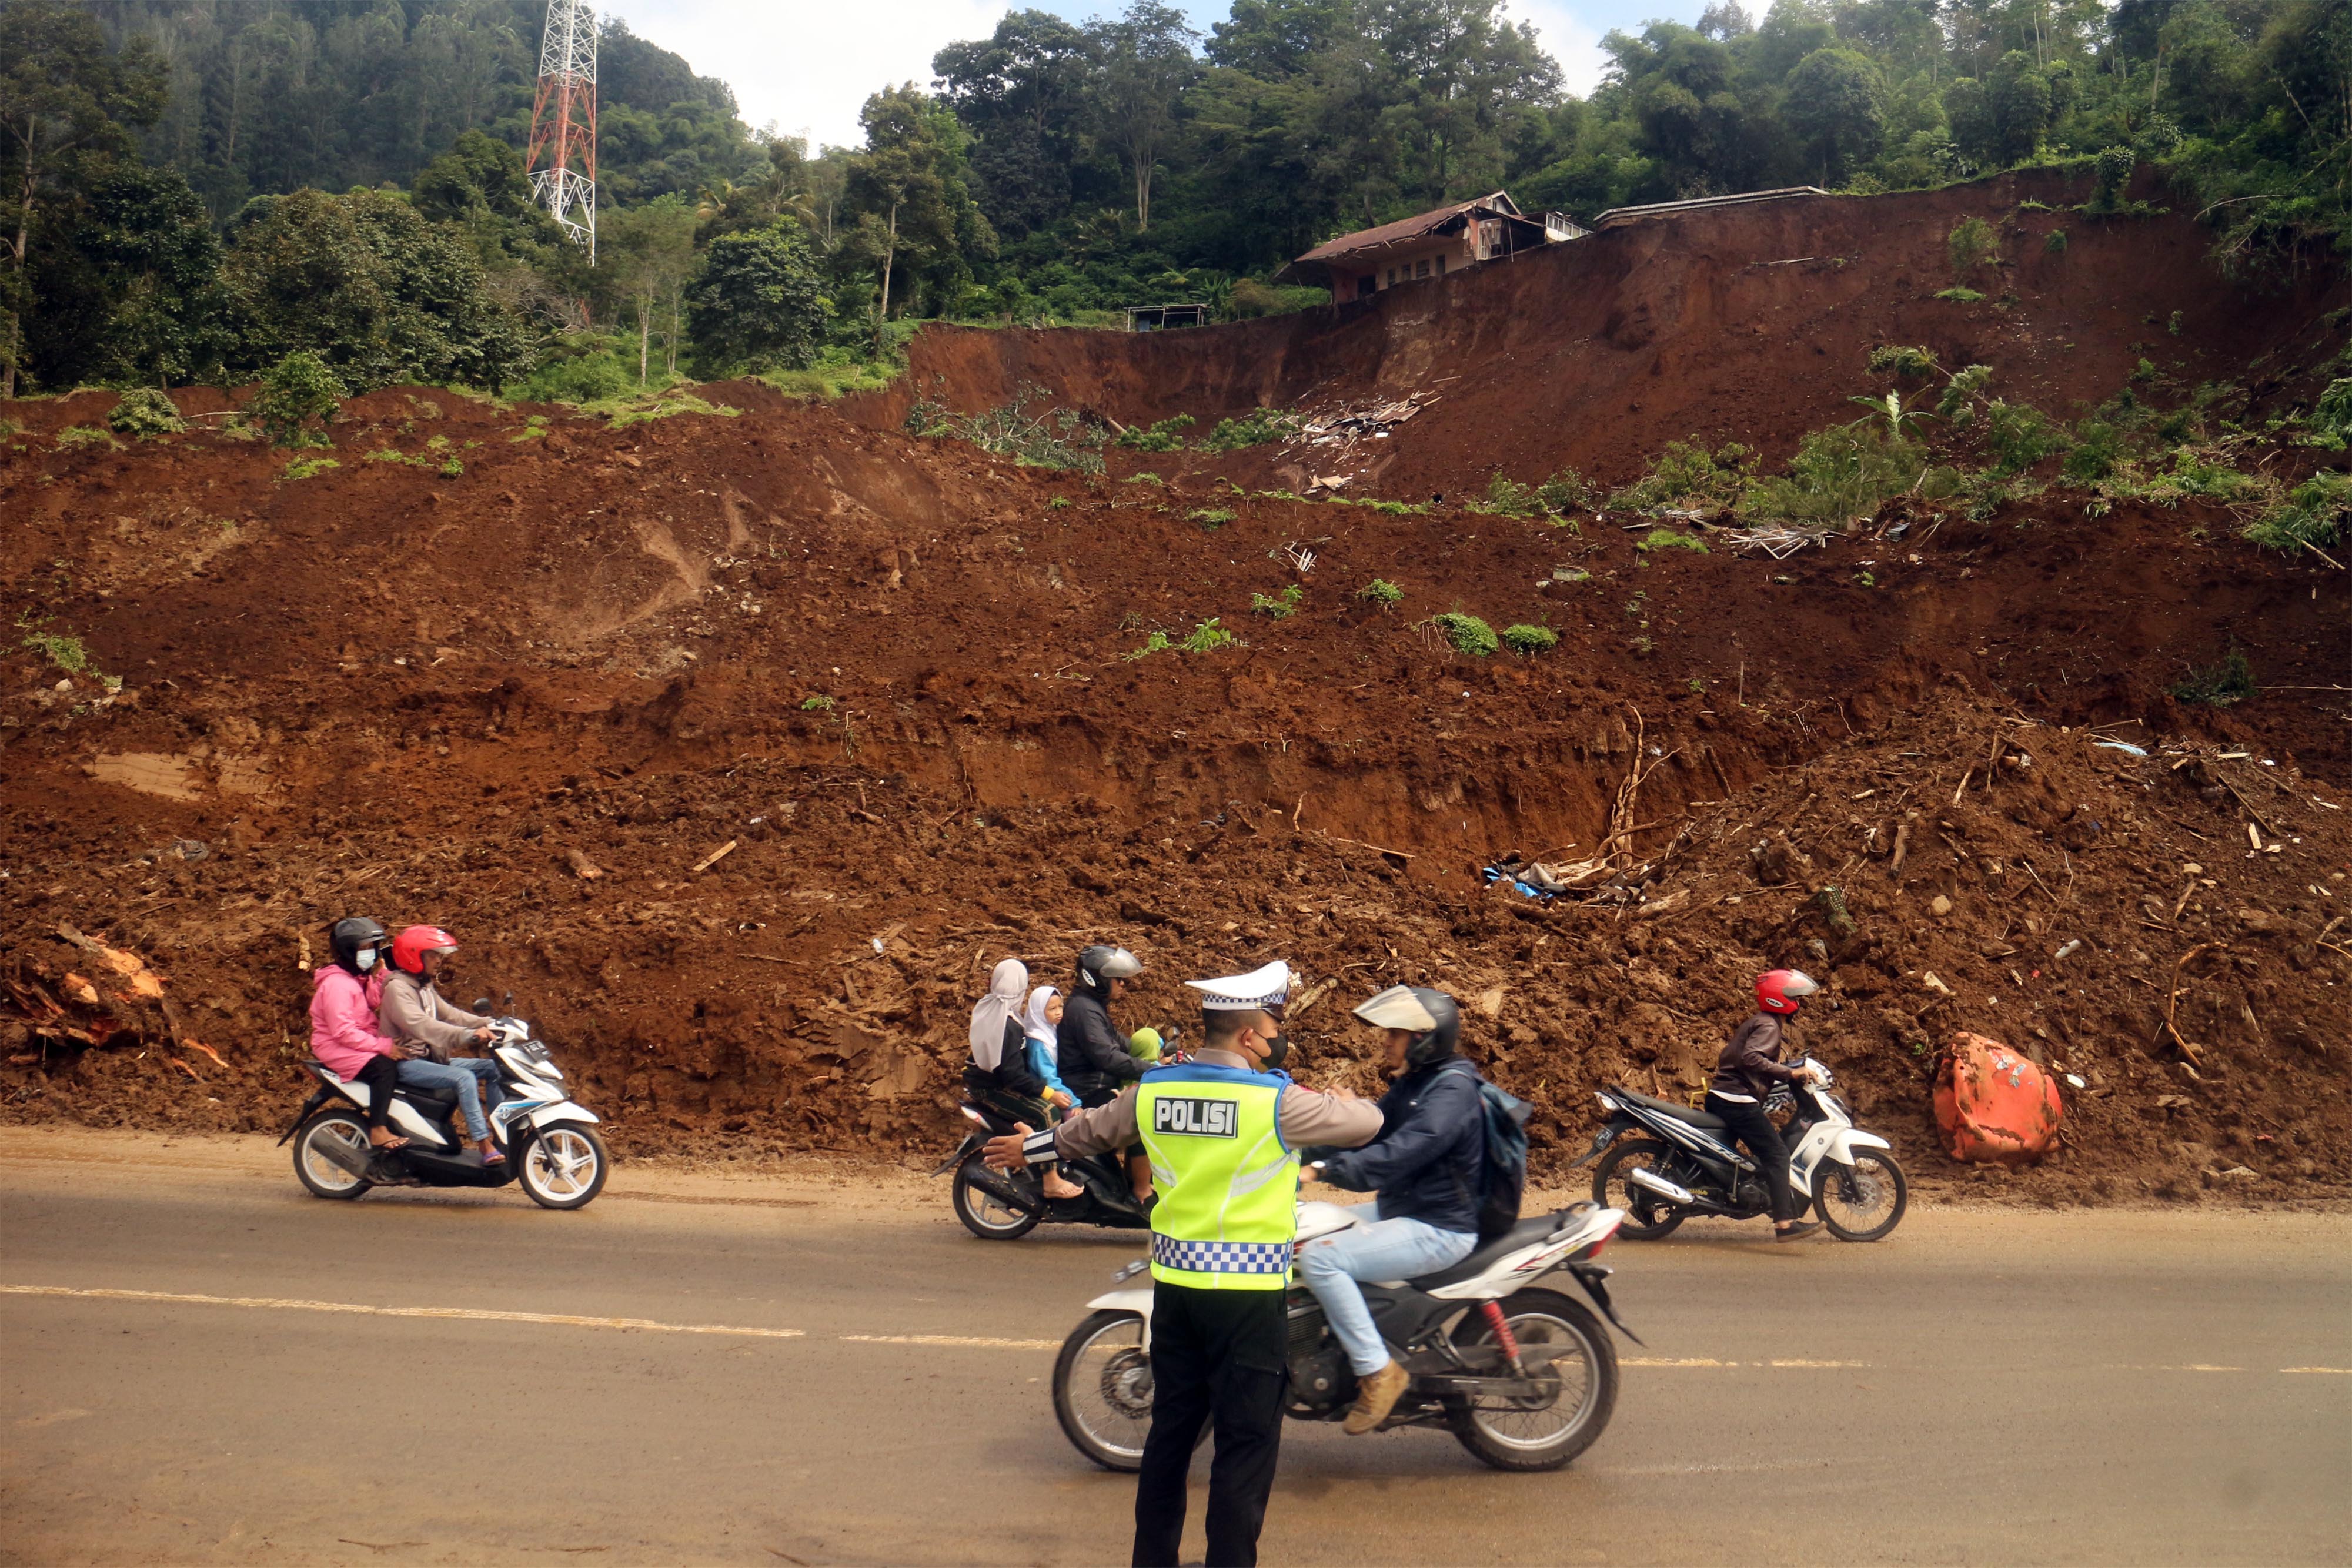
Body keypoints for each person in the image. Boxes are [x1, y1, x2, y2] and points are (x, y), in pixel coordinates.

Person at [985, 960, 1381, 1568]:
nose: (1277, 1034)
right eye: (1272, 1025)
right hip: (1247, 1301)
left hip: (1175, 1294)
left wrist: (1025, 1148)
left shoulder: (1153, 1090)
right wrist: (1346, 1099)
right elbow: (1367, 1123)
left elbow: (1085, 1131)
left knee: (1170, 1441)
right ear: (1248, 1036)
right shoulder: (1277, 1102)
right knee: (1243, 1449)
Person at [1298, 985, 1485, 1435]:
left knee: (1321, 1256)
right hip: (1406, 1208)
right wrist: (1296, 1150)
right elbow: (1372, 1133)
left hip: (1439, 1226)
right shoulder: (1415, 1084)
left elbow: (1402, 1151)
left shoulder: (1451, 1092)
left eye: (1396, 1033)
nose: (1386, 1041)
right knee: (1304, 1227)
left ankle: (1378, 1371)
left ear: (1425, 1039)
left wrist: (1324, 1168)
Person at [1708, 969, 1827, 1242]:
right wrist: (1790, 1073)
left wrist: (1786, 1072)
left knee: (1740, 1156)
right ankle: (1785, 1224)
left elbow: (1752, 1062)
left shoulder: (1761, 1022)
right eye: (1795, 997)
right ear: (1779, 999)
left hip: (1726, 1096)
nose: (1799, 1003)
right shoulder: (1769, 1026)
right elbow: (1752, 1058)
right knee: (1777, 1154)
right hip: (1736, 1099)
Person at [380, 925, 506, 1166]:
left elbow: (451, 1014)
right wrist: (468, 1036)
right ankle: (484, 1144)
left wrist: (494, 1023)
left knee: (493, 1069)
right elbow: (423, 1026)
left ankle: (502, 1133)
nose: (439, 960)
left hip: (432, 1060)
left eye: (440, 955)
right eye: (433, 955)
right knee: (463, 1078)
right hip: (409, 1062)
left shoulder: (423, 985)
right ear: (414, 956)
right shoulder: (398, 989)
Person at [1057, 944, 1153, 1201]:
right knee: (1141, 1115)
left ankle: (1131, 1179)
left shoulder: (1093, 1007)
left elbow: (1121, 1045)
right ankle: (1142, 1190)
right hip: (1088, 1091)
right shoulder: (1084, 1011)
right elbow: (1107, 1057)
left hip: (1097, 1086)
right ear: (1097, 980)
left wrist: (1162, 1056)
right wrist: (1152, 1070)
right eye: (1118, 979)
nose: (1124, 984)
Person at [307, 916, 405, 1151]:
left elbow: (370, 1003)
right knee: (384, 1069)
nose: (370, 953)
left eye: (372, 948)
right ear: (348, 951)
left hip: (351, 1039)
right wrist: (382, 1046)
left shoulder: (356, 978)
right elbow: (343, 1032)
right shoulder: (337, 985)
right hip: (334, 1045)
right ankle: (379, 1130)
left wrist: (382, 975)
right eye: (363, 948)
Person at [1021, 984, 1084, 1201]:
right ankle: (1060, 1170)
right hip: (1045, 1092)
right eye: (1052, 1009)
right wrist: (1074, 1102)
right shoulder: (1039, 1042)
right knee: (1073, 1120)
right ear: (1039, 1012)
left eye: (1060, 1006)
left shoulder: (1049, 1032)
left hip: (1051, 1088)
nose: (1059, 1012)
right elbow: (1048, 1079)